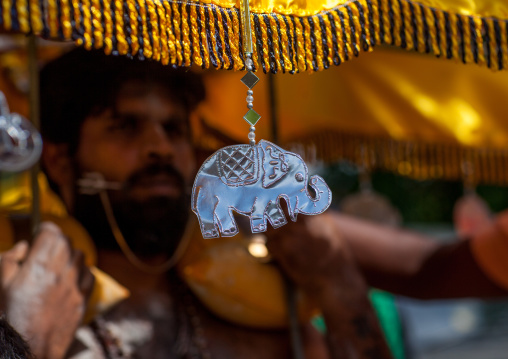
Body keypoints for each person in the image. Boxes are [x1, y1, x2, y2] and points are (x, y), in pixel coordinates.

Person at [0, 48, 392, 359]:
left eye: (174, 129)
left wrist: (339, 285)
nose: (160, 148)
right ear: (60, 160)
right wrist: (30, 339)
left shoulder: (262, 321)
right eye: (126, 126)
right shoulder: (27, 311)